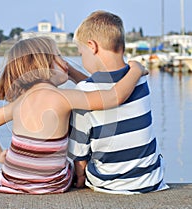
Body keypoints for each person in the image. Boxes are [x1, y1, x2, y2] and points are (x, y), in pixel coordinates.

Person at [0, 36, 146, 194]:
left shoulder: (19, 102)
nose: (65, 62)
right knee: (77, 160)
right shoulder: (63, 97)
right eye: (58, 56)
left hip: (11, 181)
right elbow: (111, 97)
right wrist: (135, 71)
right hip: (51, 184)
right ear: (45, 64)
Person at [68, 10, 169, 194]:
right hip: (152, 180)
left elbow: (79, 154)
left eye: (81, 53)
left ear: (92, 46)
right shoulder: (139, 79)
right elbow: (106, 88)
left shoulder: (84, 92)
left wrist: (80, 177)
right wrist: (71, 72)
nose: (82, 59)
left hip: (110, 183)